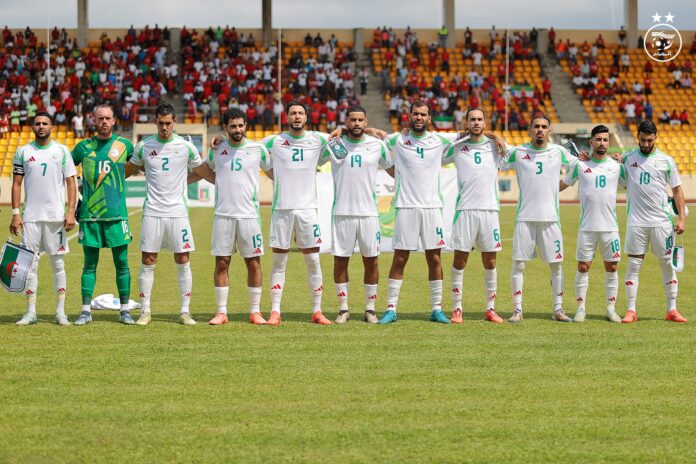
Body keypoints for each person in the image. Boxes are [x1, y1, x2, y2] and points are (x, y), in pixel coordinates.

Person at [126, 103, 214, 326]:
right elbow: (125, 171)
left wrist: (225, 180)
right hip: (153, 212)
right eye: (161, 123)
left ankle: (185, 312)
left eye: (168, 123)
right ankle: (145, 311)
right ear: (155, 122)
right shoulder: (144, 146)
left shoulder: (186, 146)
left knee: (183, 259)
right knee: (148, 260)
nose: (164, 127)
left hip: (177, 213)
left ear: (175, 122)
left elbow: (204, 172)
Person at [379, 101, 460, 324]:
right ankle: (391, 309)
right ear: (410, 116)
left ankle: (436, 309)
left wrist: (497, 137)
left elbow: (470, 132)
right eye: (415, 114)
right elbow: (374, 136)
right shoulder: (398, 139)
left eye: (423, 114)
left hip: (432, 207)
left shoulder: (439, 139)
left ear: (429, 118)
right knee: (400, 257)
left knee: (434, 257)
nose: (419, 117)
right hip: (405, 206)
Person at [261, 101, 333, 325]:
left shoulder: (318, 138)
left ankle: (317, 310)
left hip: (308, 210)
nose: (297, 116)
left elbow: (343, 135)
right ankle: (275, 311)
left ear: (306, 117)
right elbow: (246, 147)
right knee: (279, 261)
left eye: (301, 113)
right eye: (293, 113)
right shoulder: (274, 141)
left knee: (312, 260)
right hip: (282, 209)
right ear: (287, 117)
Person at [502, 115, 577, 323]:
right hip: (524, 218)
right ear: (530, 129)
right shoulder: (518, 152)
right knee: (519, 264)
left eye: (544, 127)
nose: (540, 130)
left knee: (556, 265)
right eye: (536, 126)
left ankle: (558, 309)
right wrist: (496, 139)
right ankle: (517, 310)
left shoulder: (558, 151)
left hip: (551, 219)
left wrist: (562, 185)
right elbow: (496, 161)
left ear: (549, 131)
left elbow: (578, 167)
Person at [321, 106, 392, 324]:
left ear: (366, 121)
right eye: (353, 120)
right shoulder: (334, 144)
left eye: (361, 120)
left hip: (369, 213)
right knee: (340, 261)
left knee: (371, 261)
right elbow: (313, 159)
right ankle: (343, 309)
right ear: (346, 121)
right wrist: (337, 131)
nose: (357, 123)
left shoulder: (377, 145)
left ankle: (370, 309)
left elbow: (392, 168)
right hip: (342, 212)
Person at [202, 108, 271, 326]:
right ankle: (221, 312)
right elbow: (202, 170)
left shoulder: (257, 149)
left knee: (253, 263)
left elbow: (273, 172)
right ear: (225, 128)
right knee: (222, 263)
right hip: (223, 216)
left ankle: (255, 311)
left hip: (250, 216)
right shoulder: (217, 148)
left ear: (246, 126)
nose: (238, 129)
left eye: (241, 125)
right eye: (233, 126)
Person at [11, 112, 77, 326]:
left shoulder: (62, 151)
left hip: (56, 218)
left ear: (52, 127)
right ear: (32, 127)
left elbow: (71, 184)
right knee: (30, 266)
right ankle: (30, 312)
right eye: (37, 123)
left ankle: (60, 312)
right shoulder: (23, 152)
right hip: (30, 218)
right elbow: (17, 184)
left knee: (58, 264)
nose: (41, 126)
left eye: (45, 123)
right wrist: (15, 214)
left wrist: (70, 212)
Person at [72, 105, 135, 325]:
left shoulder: (125, 146)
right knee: (89, 264)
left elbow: (145, 162)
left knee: (122, 263)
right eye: (100, 118)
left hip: (117, 216)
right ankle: (85, 311)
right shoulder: (83, 147)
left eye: (108, 118)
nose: (104, 122)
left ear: (114, 120)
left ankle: (125, 310)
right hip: (90, 216)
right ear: (93, 121)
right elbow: (64, 170)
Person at [441, 108, 505, 324]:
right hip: (465, 211)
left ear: (485, 123)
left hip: (489, 211)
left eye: (479, 119)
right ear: (466, 123)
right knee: (460, 259)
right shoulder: (458, 148)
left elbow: (517, 154)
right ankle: (457, 308)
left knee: (490, 260)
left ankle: (490, 308)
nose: (476, 123)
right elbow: (435, 156)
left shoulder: (495, 146)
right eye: (472, 120)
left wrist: (496, 136)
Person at [620, 120, 687, 323]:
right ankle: (631, 310)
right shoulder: (627, 158)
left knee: (667, 264)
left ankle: (672, 310)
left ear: (655, 137)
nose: (646, 144)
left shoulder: (667, 160)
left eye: (649, 140)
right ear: (637, 137)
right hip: (637, 222)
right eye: (642, 140)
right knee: (633, 265)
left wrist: (682, 219)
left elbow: (676, 190)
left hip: (662, 223)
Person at [559, 125, 624, 323]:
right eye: (598, 139)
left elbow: (636, 183)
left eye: (605, 140)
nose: (602, 143)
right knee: (583, 267)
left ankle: (611, 308)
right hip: (586, 227)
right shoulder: (580, 165)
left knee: (612, 267)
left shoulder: (617, 166)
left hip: (610, 228)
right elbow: (560, 186)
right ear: (591, 142)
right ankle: (581, 308)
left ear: (608, 143)